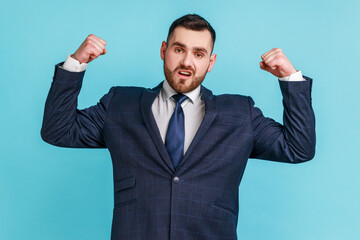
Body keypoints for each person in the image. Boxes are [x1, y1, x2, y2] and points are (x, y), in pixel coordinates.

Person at [41, 14, 315, 240]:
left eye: (199, 54)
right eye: (179, 49)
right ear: (164, 51)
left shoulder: (240, 114)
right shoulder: (120, 104)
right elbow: (58, 130)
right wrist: (76, 64)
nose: (186, 62)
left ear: (211, 62)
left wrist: (290, 79)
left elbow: (298, 148)